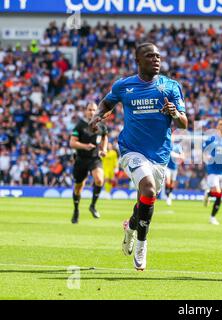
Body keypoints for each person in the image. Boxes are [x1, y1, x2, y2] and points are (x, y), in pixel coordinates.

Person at [89, 42, 188, 271]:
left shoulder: (170, 86)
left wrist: (174, 112)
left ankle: (131, 227)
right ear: (138, 60)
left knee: (144, 202)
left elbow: (184, 122)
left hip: (160, 155)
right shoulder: (124, 85)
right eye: (150, 56)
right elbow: (107, 101)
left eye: (158, 56)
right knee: (148, 190)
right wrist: (97, 116)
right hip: (131, 149)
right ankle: (143, 246)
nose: (156, 60)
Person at [69, 102, 108, 224]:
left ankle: (93, 205)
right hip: (81, 159)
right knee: (78, 187)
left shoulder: (101, 125)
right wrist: (85, 146)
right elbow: (72, 143)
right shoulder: (80, 126)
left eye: (94, 110)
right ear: (86, 111)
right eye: (89, 109)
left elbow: (104, 137)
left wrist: (104, 149)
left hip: (95, 158)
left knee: (99, 180)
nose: (91, 112)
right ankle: (76, 210)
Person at [164, 137, 184, 206]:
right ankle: (167, 196)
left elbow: (182, 156)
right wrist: (178, 156)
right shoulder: (168, 145)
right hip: (168, 167)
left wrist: (180, 157)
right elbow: (170, 153)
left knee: (172, 183)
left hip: (174, 167)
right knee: (168, 181)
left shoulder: (178, 147)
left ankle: (169, 194)